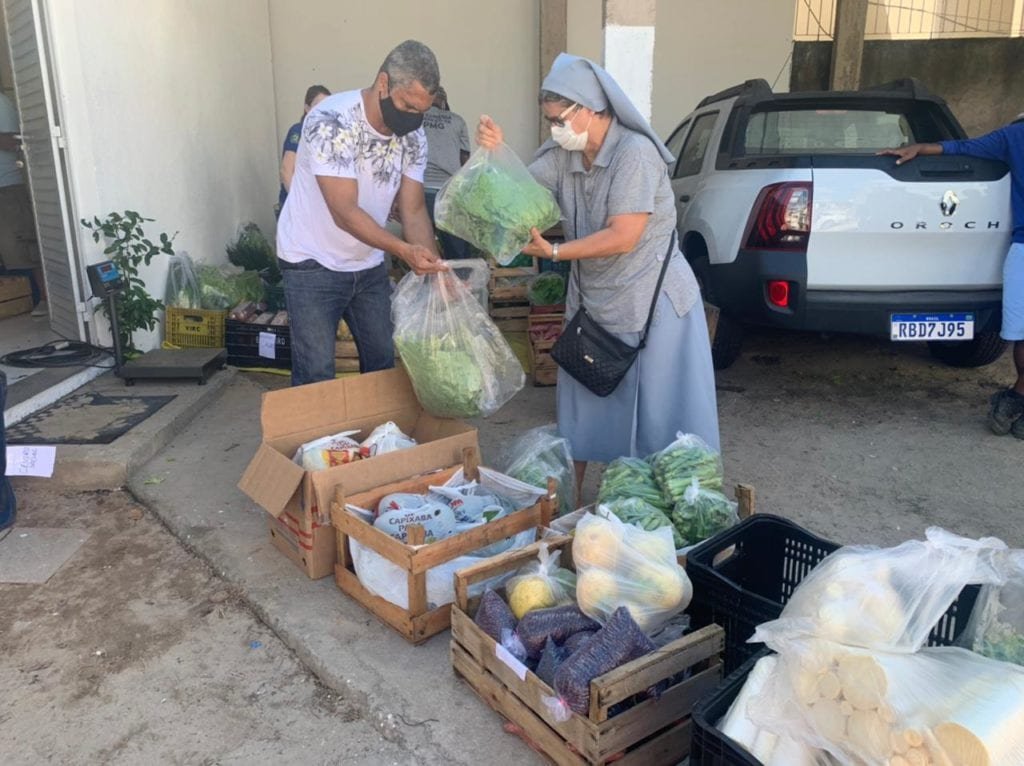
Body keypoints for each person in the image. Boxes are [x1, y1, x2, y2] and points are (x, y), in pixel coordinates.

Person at [476, 53, 720, 494]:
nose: (555, 128)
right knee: (583, 404)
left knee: (660, 416)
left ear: (591, 109)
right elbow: (520, 192)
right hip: (595, 300)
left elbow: (623, 235)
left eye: (560, 118)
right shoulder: (561, 155)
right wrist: (494, 157)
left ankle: (669, 505)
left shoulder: (636, 154)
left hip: (653, 301)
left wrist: (554, 249)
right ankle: (568, 502)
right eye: (549, 119)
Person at [276, 40, 447, 386]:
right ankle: (315, 441)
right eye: (406, 106)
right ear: (383, 83)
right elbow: (344, 211)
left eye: (421, 111)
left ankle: (379, 440)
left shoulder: (413, 136)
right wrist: (402, 251)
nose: (413, 118)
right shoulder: (331, 121)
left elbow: (413, 210)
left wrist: (435, 270)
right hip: (312, 260)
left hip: (367, 262)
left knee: (381, 363)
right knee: (316, 373)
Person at [881, 115, 1024, 439]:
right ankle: (1017, 398)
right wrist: (923, 148)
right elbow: (964, 146)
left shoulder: (1014, 135)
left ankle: (1016, 399)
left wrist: (920, 148)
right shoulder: (1014, 136)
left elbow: (965, 147)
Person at [0, 91, 45, 316]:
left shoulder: (1, 102)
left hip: (8, 187)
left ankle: (47, 302)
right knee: (13, 251)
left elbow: (14, 139)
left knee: (26, 247)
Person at [422, 85, 471, 258]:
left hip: (420, 191)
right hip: (448, 192)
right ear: (444, 101)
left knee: (423, 248)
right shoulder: (457, 121)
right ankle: (458, 281)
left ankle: (428, 284)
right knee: (456, 249)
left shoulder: (415, 119)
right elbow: (465, 158)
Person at [278, 84, 331, 214]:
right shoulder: (298, 131)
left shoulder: (327, 137)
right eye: (318, 105)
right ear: (307, 108)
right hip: (297, 208)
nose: (323, 110)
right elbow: (286, 171)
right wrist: (298, 202)